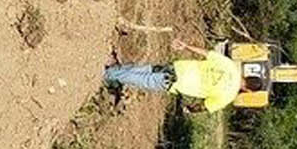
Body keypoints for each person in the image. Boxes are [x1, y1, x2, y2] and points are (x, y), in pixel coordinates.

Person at [104, 39, 245, 113]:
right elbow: (205, 106)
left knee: (146, 70)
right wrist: (190, 109)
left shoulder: (231, 66)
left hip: (178, 67)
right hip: (175, 83)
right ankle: (107, 74)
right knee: (144, 79)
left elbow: (207, 53)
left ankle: (113, 73)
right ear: (248, 90)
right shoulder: (228, 97)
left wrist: (186, 46)